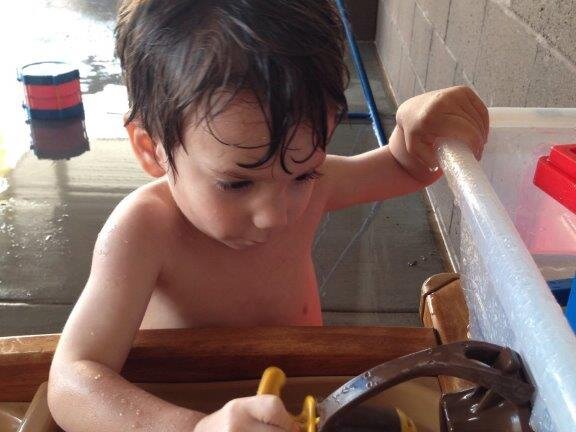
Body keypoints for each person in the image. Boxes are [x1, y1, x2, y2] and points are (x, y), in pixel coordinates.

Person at [47, 0, 489, 431]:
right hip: (184, 404)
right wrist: (196, 427)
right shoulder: (145, 230)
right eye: (236, 184)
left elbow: (405, 167)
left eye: (304, 172)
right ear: (152, 148)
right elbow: (70, 380)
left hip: (301, 395)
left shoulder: (315, 185)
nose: (276, 215)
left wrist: (418, 126)